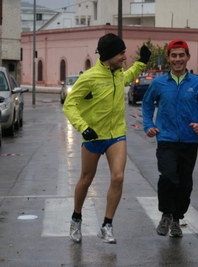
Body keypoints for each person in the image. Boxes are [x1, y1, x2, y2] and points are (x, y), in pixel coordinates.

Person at [63, 33, 151, 244]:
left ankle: (107, 225)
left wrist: (142, 63)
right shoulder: (89, 77)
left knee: (118, 177)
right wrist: (84, 128)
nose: (124, 57)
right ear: (110, 55)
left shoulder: (119, 73)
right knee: (86, 179)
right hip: (93, 137)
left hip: (116, 135)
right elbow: (69, 105)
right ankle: (76, 218)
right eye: (121, 53)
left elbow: (128, 76)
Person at [142, 39, 198, 238]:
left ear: (187, 57)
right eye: (174, 55)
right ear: (168, 58)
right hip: (166, 139)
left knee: (185, 184)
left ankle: (177, 219)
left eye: (181, 55)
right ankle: (166, 214)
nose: (177, 59)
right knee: (168, 176)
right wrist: (149, 126)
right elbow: (147, 105)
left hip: (189, 141)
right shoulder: (159, 83)